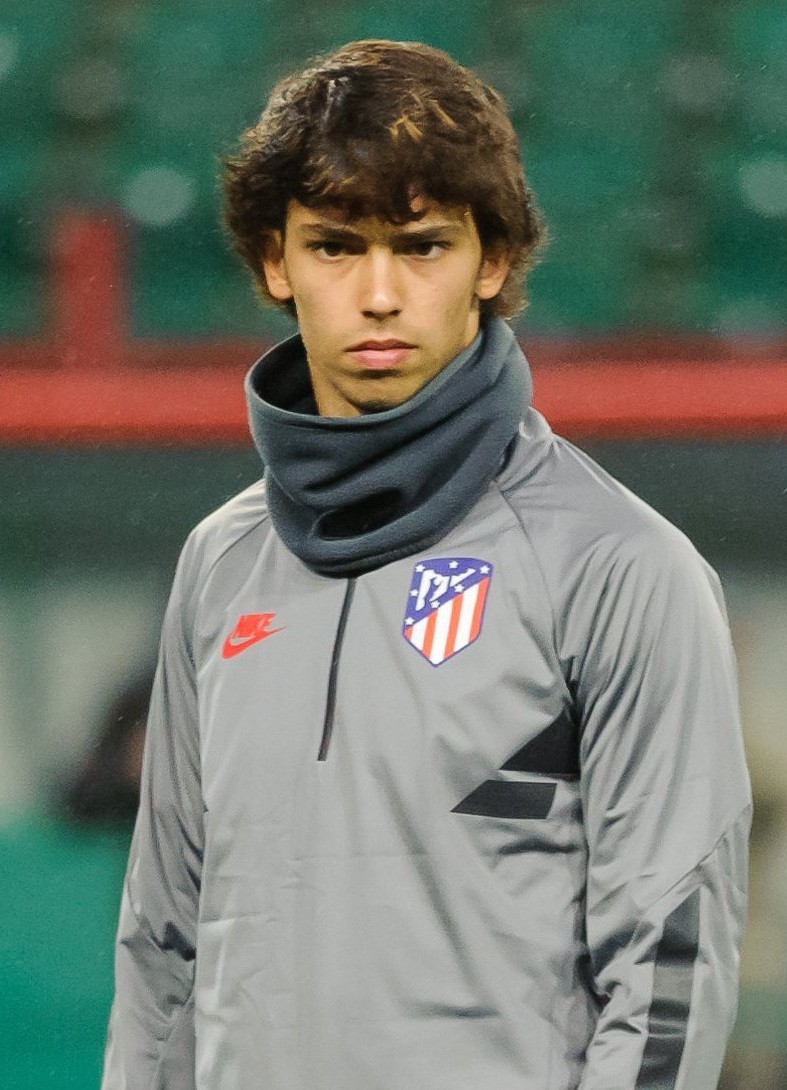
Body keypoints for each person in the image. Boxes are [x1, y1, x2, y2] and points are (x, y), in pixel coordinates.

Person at [101, 39, 751, 1090]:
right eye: (333, 246)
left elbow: (668, 969)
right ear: (276, 262)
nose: (377, 294)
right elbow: (163, 937)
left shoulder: (619, 567)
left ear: (490, 263)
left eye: (420, 246)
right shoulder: (221, 562)